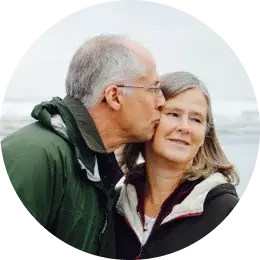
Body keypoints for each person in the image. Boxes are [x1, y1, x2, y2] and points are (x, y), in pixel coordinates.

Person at [0, 34, 165, 257]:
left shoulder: (95, 166)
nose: (161, 101)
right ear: (114, 96)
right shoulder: (33, 156)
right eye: (153, 88)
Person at [115, 71, 240, 259]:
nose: (185, 127)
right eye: (173, 114)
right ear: (150, 119)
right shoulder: (117, 203)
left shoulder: (224, 210)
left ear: (206, 134)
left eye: (196, 119)